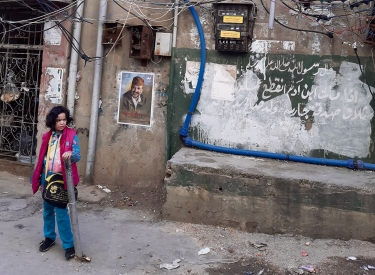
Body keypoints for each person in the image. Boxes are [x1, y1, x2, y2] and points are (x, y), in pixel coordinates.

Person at [31, 106, 81, 261]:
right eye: (59, 120)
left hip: (62, 180)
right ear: (53, 120)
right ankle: (49, 237)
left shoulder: (72, 135)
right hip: (47, 179)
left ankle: (68, 245)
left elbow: (78, 155)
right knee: (47, 211)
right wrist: (40, 180)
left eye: (64, 119)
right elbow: (42, 160)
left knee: (61, 214)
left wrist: (71, 154)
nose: (62, 122)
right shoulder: (47, 136)